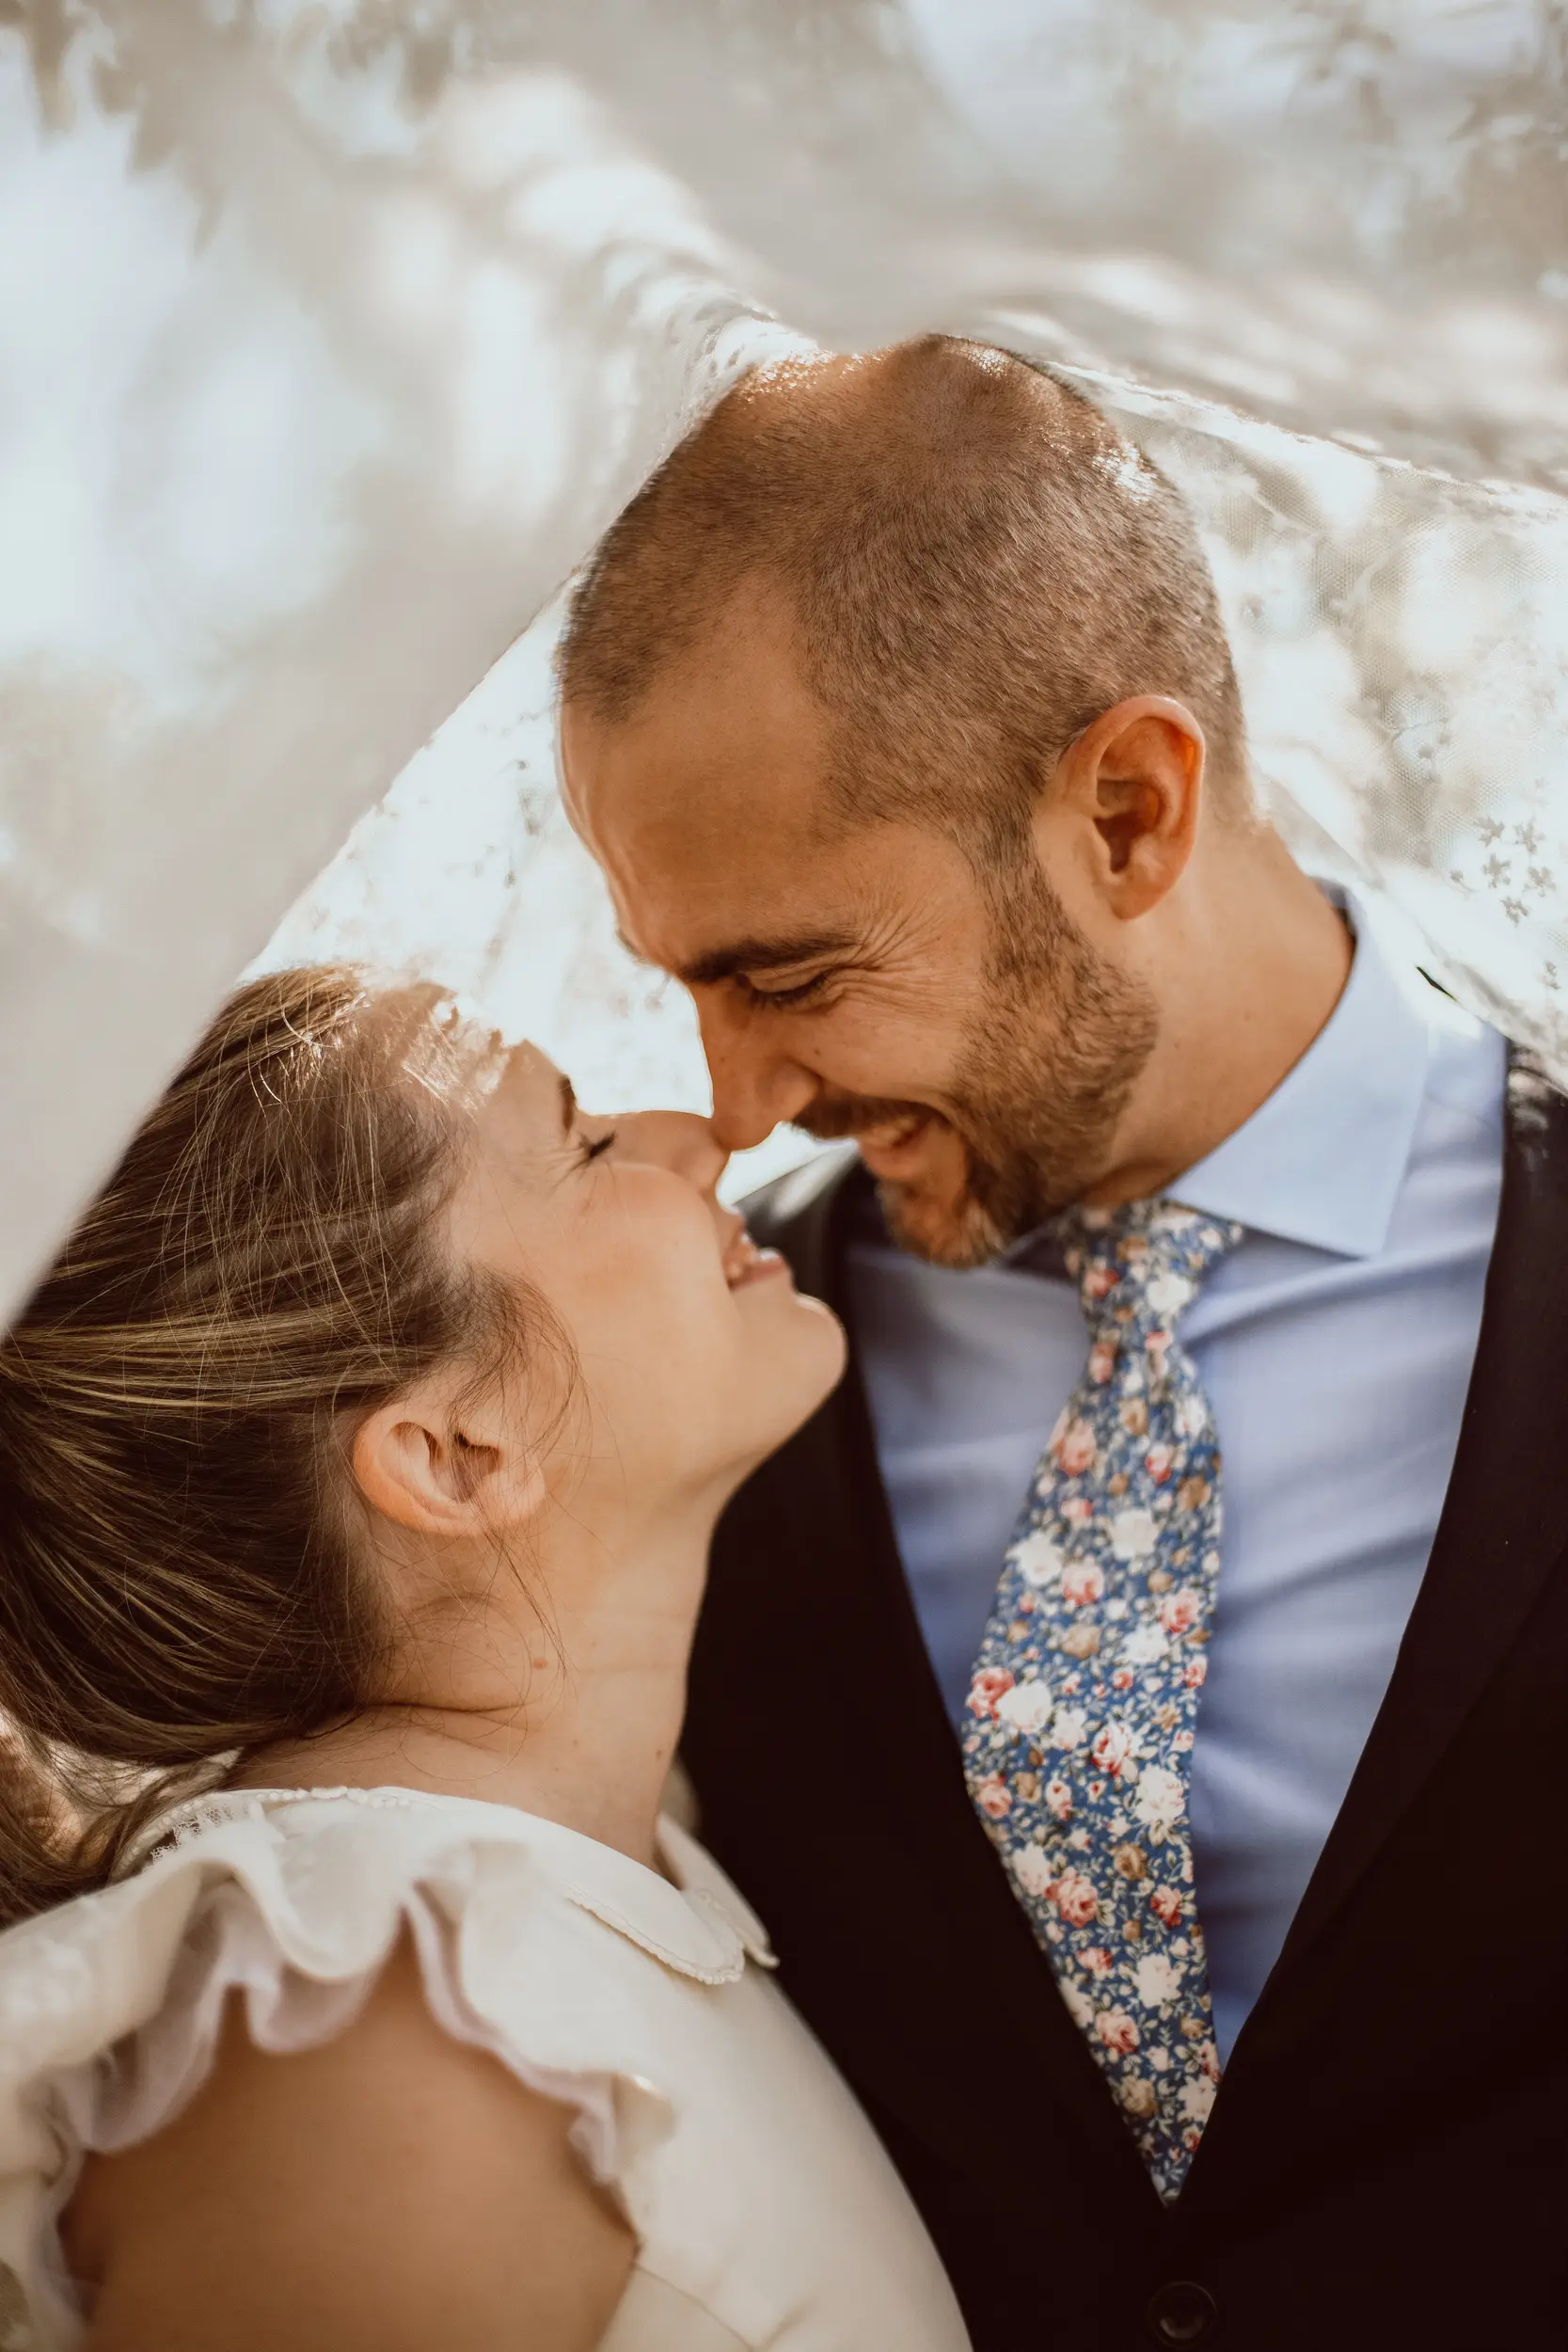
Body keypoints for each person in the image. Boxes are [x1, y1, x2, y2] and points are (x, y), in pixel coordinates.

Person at [557, 336, 1568, 2351]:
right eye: (683, 982)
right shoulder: (704, 1383)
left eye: (792, 970)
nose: (738, 1092)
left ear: (1125, 807)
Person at [0, 967, 974, 2352]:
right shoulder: (385, 2031)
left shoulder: (571, 1894)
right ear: (458, 1454)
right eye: (582, 1141)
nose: (702, 1137)